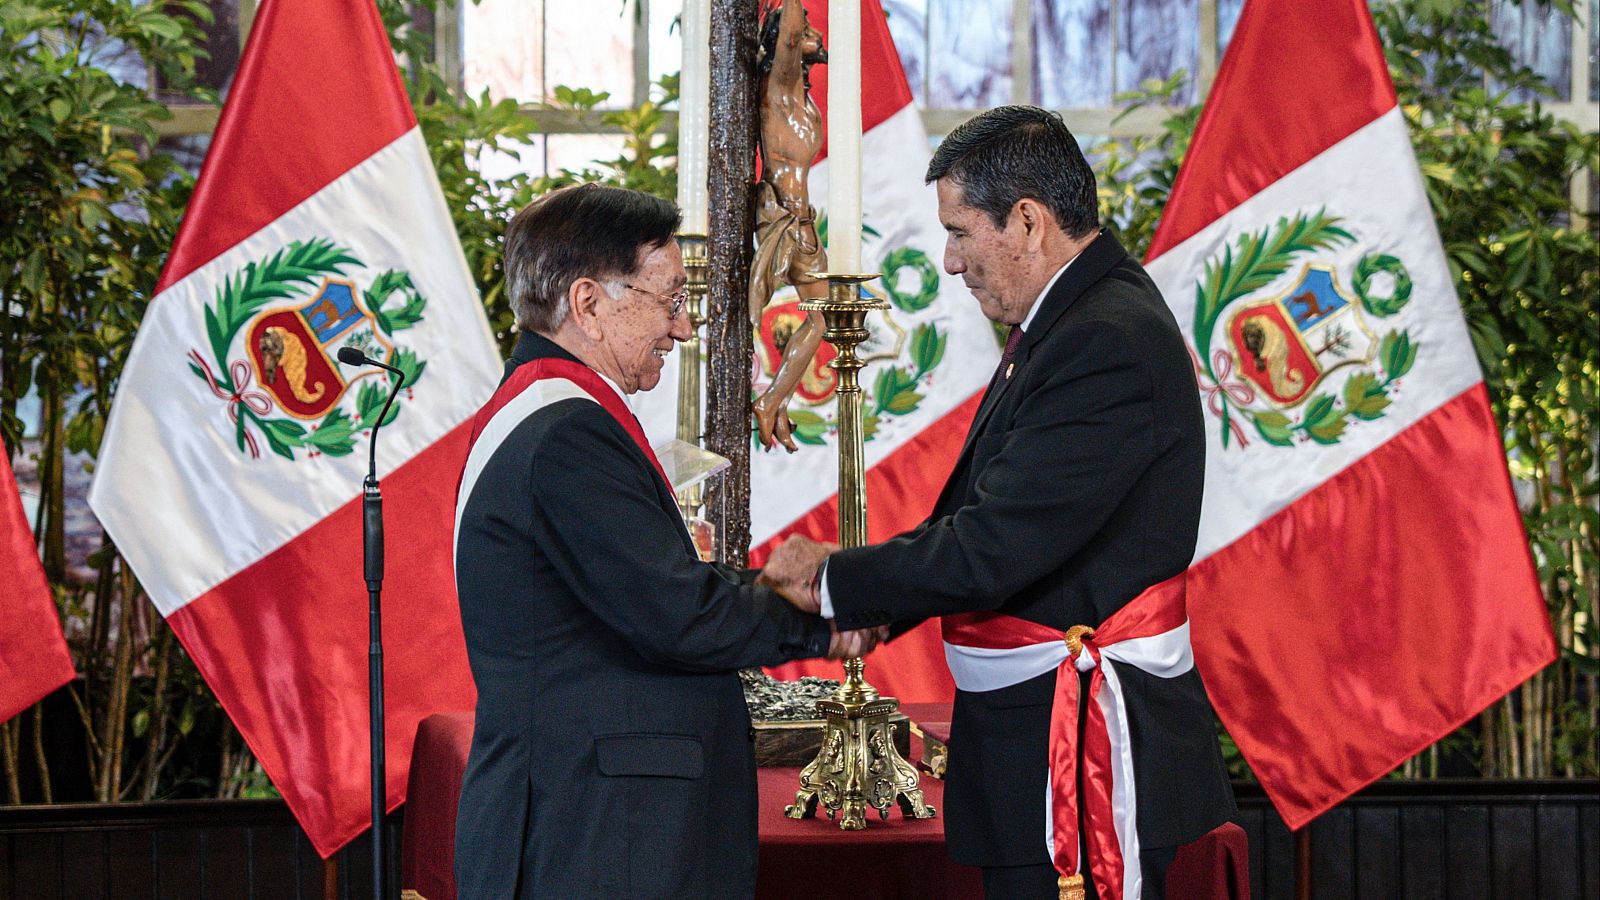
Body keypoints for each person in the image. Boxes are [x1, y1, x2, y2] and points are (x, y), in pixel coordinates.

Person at [762, 107, 1235, 899]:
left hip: (1079, 752)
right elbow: (984, 514)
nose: (949, 262)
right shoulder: (1072, 319)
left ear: (1027, 220)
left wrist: (840, 581)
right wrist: (881, 607)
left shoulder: (1104, 338)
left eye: (959, 231)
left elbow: (997, 544)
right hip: (1038, 740)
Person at [453, 183, 876, 899]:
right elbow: (679, 615)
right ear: (588, 304)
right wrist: (829, 612)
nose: (682, 329)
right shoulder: (565, 433)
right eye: (669, 300)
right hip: (594, 836)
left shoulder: (549, 414)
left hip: (595, 824)